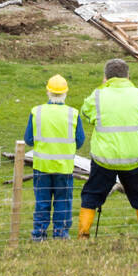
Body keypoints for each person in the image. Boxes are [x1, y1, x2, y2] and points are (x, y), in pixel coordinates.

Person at [78, 58, 138, 237]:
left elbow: (86, 112)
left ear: (105, 77)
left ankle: (83, 234)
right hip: (133, 158)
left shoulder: (97, 95)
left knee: (91, 194)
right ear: (128, 76)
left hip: (105, 158)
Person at [23, 74, 86, 240]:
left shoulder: (37, 112)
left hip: (42, 166)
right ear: (66, 93)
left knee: (42, 202)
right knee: (63, 203)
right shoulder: (73, 113)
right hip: (63, 168)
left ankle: (39, 234)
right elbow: (80, 141)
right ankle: (60, 234)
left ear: (47, 92)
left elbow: (28, 139)